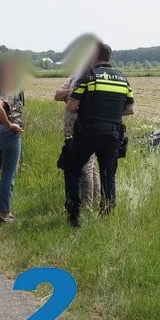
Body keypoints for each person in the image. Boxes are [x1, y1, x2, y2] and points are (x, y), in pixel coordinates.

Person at [65, 43, 134, 227]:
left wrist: (88, 109)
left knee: (72, 168)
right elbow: (130, 110)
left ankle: (74, 215)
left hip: (88, 132)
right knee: (108, 174)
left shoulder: (88, 77)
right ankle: (107, 216)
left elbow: (71, 107)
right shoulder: (123, 79)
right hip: (112, 134)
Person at [55, 61, 100, 212]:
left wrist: (70, 95)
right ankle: (94, 201)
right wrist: (73, 91)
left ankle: (87, 207)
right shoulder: (74, 77)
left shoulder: (92, 79)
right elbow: (57, 95)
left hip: (84, 131)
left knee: (86, 169)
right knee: (90, 169)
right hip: (70, 132)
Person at [0, 56, 25, 224]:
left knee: (5, 173)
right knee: (10, 174)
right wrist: (10, 125)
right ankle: (5, 213)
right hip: (8, 133)